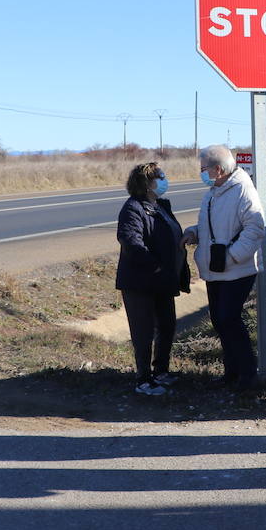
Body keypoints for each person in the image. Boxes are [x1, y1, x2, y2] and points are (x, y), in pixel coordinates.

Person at [184, 145, 265, 392]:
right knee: (220, 321)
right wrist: (194, 233)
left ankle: (248, 374)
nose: (202, 173)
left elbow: (255, 228)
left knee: (230, 318)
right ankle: (231, 372)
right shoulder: (213, 192)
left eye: (203, 169)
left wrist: (232, 257)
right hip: (215, 269)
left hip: (237, 269)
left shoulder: (242, 190)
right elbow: (213, 226)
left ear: (218, 169)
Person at [116, 162, 190, 396]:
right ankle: (143, 379)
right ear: (147, 183)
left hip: (163, 281)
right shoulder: (133, 209)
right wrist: (155, 266)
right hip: (141, 282)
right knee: (143, 332)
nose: (165, 179)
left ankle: (161, 372)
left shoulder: (161, 207)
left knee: (167, 327)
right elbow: (131, 242)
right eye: (160, 176)